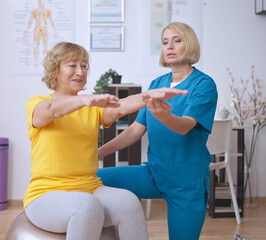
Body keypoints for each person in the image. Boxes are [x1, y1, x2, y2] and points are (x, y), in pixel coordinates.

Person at [24, 41, 188, 239]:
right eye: (72, 65)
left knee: (129, 201)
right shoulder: (38, 103)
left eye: (84, 66)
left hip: (89, 188)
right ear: (55, 70)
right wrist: (82, 100)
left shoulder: (91, 107)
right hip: (45, 195)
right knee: (86, 205)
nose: (80, 71)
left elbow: (120, 107)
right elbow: (52, 110)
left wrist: (147, 96)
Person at [97, 22, 218, 240]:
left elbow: (185, 126)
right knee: (94, 178)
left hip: (186, 183)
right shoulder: (157, 83)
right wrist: (99, 152)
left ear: (189, 44)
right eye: (164, 42)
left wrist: (165, 116)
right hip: (154, 174)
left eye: (177, 40)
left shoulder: (204, 84)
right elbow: (135, 130)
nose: (169, 46)